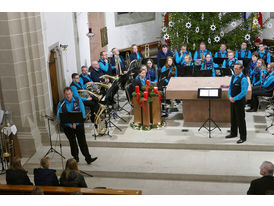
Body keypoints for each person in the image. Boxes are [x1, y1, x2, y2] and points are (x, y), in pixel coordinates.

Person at [57, 87, 97, 164]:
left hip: (78, 125)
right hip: (68, 127)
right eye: (66, 94)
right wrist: (70, 125)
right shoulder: (61, 103)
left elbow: (82, 113)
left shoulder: (77, 100)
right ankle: (76, 158)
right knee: (72, 142)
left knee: (82, 141)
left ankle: (88, 158)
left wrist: (76, 123)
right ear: (64, 94)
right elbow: (60, 117)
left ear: (72, 93)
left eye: (69, 94)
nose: (68, 96)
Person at [225, 63, 249, 144]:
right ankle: (233, 133)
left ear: (241, 69)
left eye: (237, 69)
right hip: (232, 100)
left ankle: (243, 137)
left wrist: (234, 98)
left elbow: (243, 92)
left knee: (240, 119)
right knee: (233, 118)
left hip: (239, 102)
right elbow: (230, 87)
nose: (235, 70)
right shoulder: (233, 76)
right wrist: (229, 96)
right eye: (234, 68)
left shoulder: (243, 79)